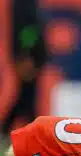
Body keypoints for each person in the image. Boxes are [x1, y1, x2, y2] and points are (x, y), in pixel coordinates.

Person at [1, 0, 48, 137]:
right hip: (29, 58)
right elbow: (26, 29)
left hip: (32, 57)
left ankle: (11, 130)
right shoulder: (24, 4)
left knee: (26, 99)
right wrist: (26, 55)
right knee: (26, 98)